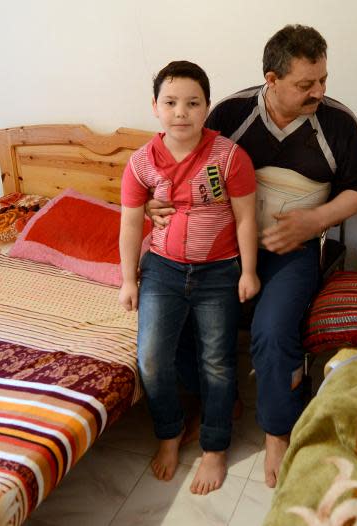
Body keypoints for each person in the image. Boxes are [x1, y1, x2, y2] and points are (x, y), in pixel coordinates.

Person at [147, 25, 357, 487]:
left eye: (323, 79)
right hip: (226, 244)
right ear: (271, 80)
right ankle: (219, 399)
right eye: (306, 84)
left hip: (293, 248)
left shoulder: (338, 123)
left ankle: (277, 430)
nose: (319, 91)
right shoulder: (232, 112)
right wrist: (157, 203)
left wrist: (316, 220)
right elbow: (182, 163)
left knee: (273, 330)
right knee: (184, 316)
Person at [118, 60, 259, 495]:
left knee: (216, 360)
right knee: (152, 359)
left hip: (219, 271)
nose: (182, 112)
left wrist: (248, 271)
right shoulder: (141, 162)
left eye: (193, 103)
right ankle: (169, 433)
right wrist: (129, 280)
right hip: (161, 269)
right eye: (171, 102)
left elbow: (246, 219)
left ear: (207, 107)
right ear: (156, 108)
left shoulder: (230, 156)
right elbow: (129, 223)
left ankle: (215, 446)